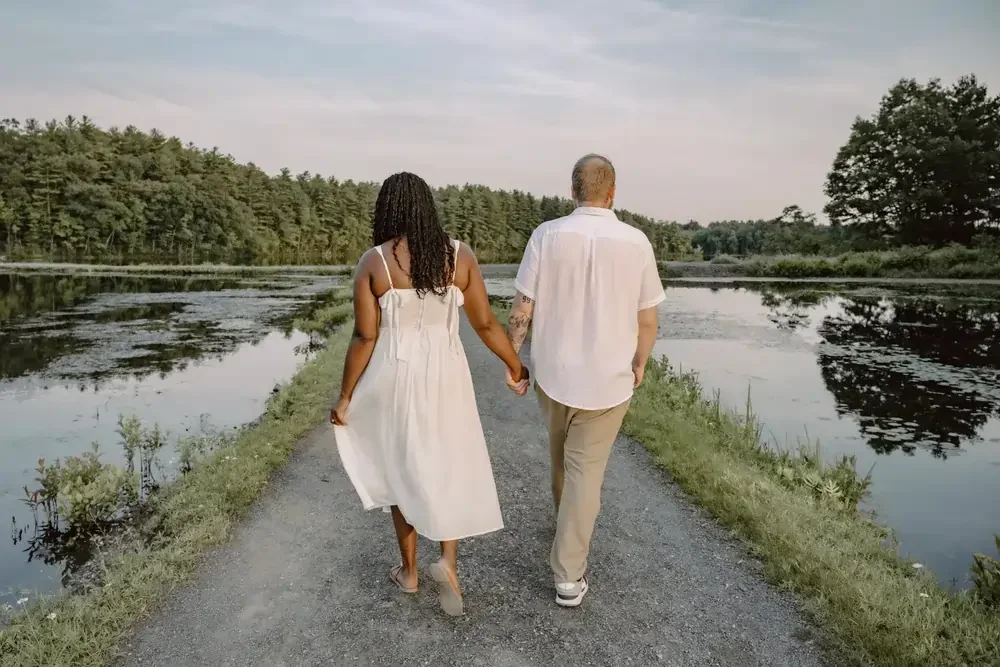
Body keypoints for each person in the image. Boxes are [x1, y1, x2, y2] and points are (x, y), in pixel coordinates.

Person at [331, 171, 529, 617]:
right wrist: (516, 366)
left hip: (397, 378)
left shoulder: (374, 263)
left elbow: (365, 337)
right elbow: (484, 324)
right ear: (428, 207)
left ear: (387, 210)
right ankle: (449, 563)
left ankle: (410, 572)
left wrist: (345, 397)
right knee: (448, 462)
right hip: (448, 378)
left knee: (403, 466)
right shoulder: (459, 256)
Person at [505, 154, 664, 607]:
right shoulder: (636, 242)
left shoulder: (546, 235)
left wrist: (511, 361)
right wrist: (640, 361)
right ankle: (569, 577)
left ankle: (567, 529)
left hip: (554, 375)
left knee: (563, 460)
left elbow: (522, 308)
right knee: (583, 470)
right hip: (609, 379)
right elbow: (648, 318)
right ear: (612, 193)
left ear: (572, 190)